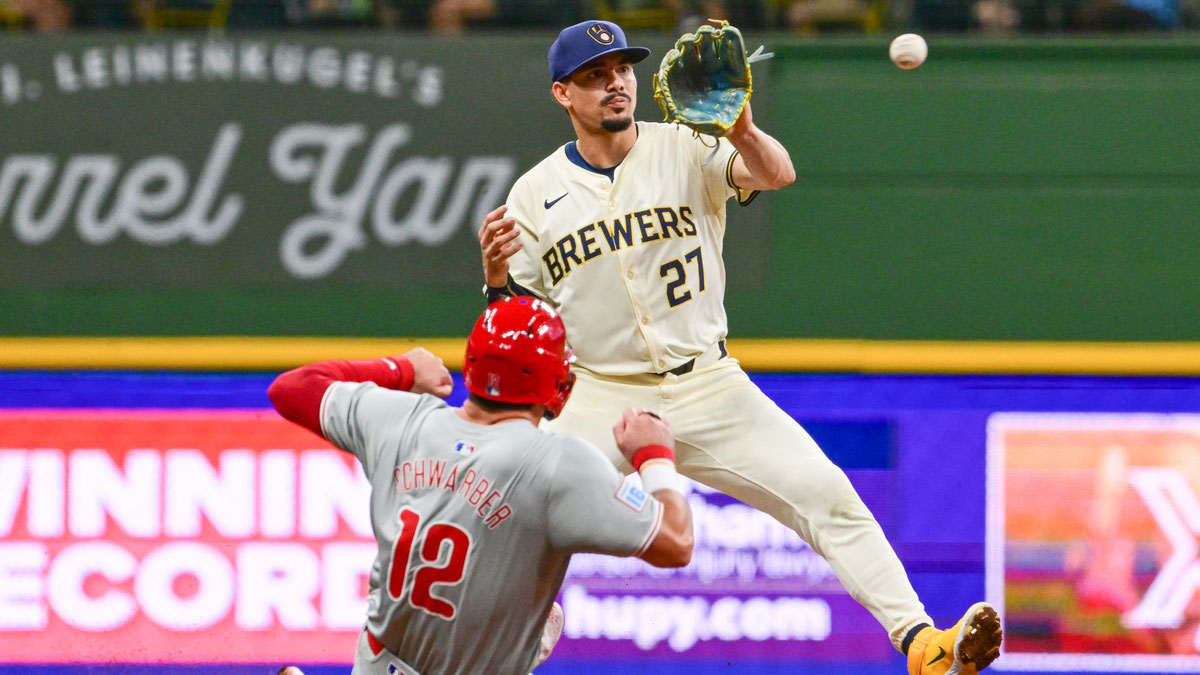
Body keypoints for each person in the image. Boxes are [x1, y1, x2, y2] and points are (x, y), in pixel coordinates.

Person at [477, 18, 1003, 675]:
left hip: (708, 382)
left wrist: (744, 131)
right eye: (595, 75)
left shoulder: (687, 147)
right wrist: (496, 279)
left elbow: (776, 175)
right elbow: (518, 323)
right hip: (600, 391)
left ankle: (923, 642)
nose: (616, 83)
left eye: (622, 70)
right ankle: (494, 647)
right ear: (564, 94)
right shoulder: (534, 193)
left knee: (825, 491)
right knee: (517, 511)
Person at [267, 296, 693, 675]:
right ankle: (514, 637)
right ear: (557, 384)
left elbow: (292, 388)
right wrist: (654, 456)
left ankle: (516, 632)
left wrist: (400, 369)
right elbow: (676, 542)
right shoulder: (559, 463)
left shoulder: (400, 418)